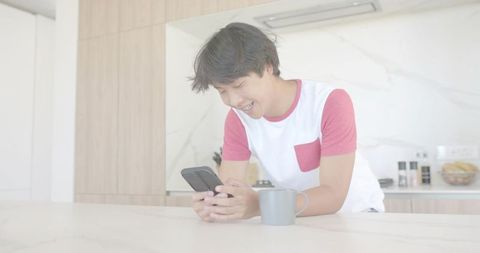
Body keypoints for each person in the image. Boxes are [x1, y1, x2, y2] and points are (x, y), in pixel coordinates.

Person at [190, 22, 384, 222]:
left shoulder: (329, 102)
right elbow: (229, 189)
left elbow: (333, 195)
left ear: (267, 66)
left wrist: (260, 204)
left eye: (239, 85)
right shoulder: (238, 120)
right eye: (222, 91)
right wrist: (218, 205)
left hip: (358, 215)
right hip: (298, 218)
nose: (233, 101)